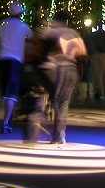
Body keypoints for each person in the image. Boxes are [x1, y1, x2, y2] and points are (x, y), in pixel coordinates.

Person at [31, 11, 87, 145]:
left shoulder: (51, 32)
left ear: (55, 20)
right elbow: (83, 53)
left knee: (55, 100)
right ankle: (59, 134)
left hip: (57, 69)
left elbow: (37, 44)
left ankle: (56, 134)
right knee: (64, 102)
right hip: (71, 68)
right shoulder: (74, 34)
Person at [0, 2, 33, 133]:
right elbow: (31, 40)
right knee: (11, 93)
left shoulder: (2, 24)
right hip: (15, 60)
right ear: (21, 13)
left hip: (2, 59)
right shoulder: (24, 26)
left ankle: (7, 116)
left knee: (5, 93)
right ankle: (6, 121)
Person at [84, 19, 105, 101]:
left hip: (94, 55)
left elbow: (87, 45)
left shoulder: (91, 35)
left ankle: (97, 92)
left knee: (96, 74)